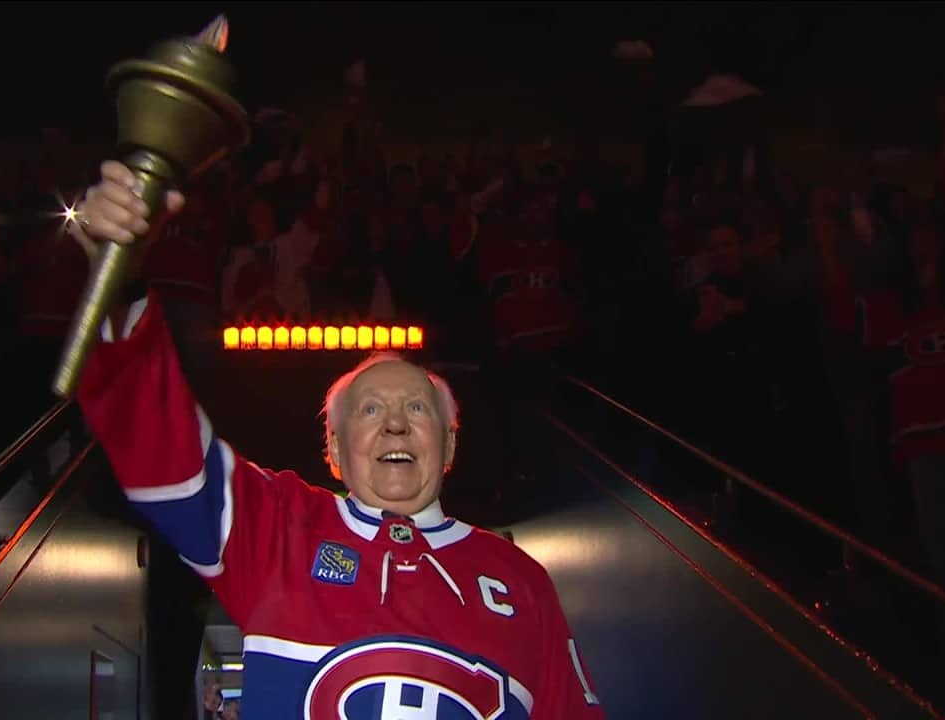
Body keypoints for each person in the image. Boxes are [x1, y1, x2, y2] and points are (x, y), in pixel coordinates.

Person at [74, 160, 605, 718]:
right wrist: (123, 277)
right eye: (370, 409)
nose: (395, 424)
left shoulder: (523, 580)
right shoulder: (278, 531)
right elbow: (166, 451)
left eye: (417, 408)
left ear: (449, 447)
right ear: (332, 450)